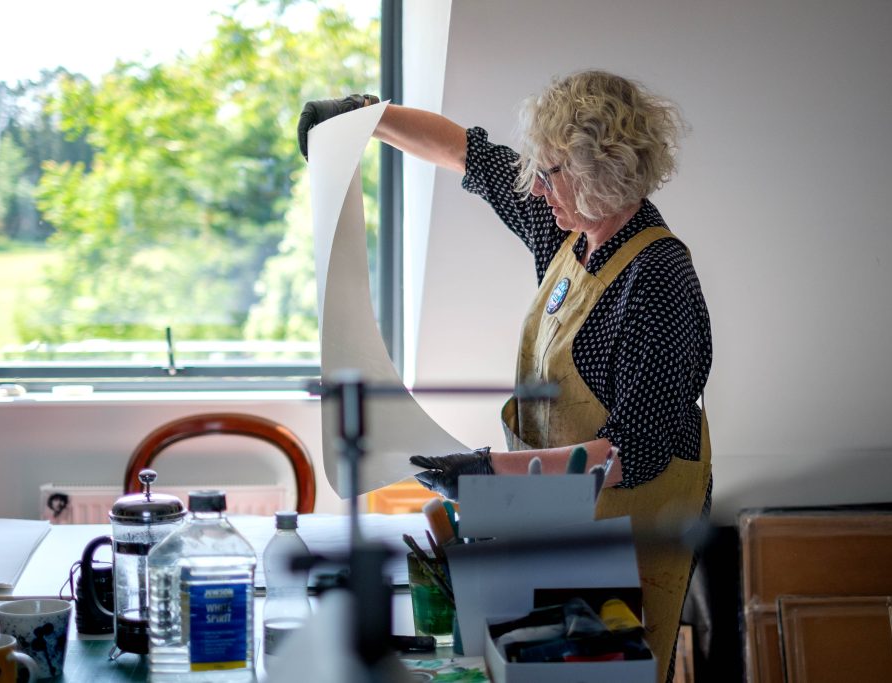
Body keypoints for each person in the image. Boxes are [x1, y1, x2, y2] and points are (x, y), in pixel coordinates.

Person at [299, 70, 712, 683]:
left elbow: (637, 451)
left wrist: (489, 470)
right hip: (555, 520)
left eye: (550, 174)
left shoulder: (656, 283)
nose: (537, 189)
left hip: (625, 541)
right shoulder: (572, 233)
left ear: (603, 173)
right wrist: (365, 116)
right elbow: (469, 154)